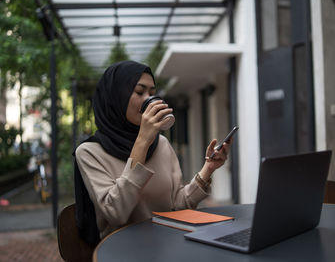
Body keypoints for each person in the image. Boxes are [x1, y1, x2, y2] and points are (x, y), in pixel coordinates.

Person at [74, 60, 231, 244]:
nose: (149, 100)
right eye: (140, 92)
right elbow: (116, 213)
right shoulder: (89, 152)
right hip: (120, 250)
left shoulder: (162, 143)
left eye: (152, 93)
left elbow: (178, 206)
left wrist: (208, 168)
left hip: (166, 245)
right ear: (117, 98)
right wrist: (142, 141)